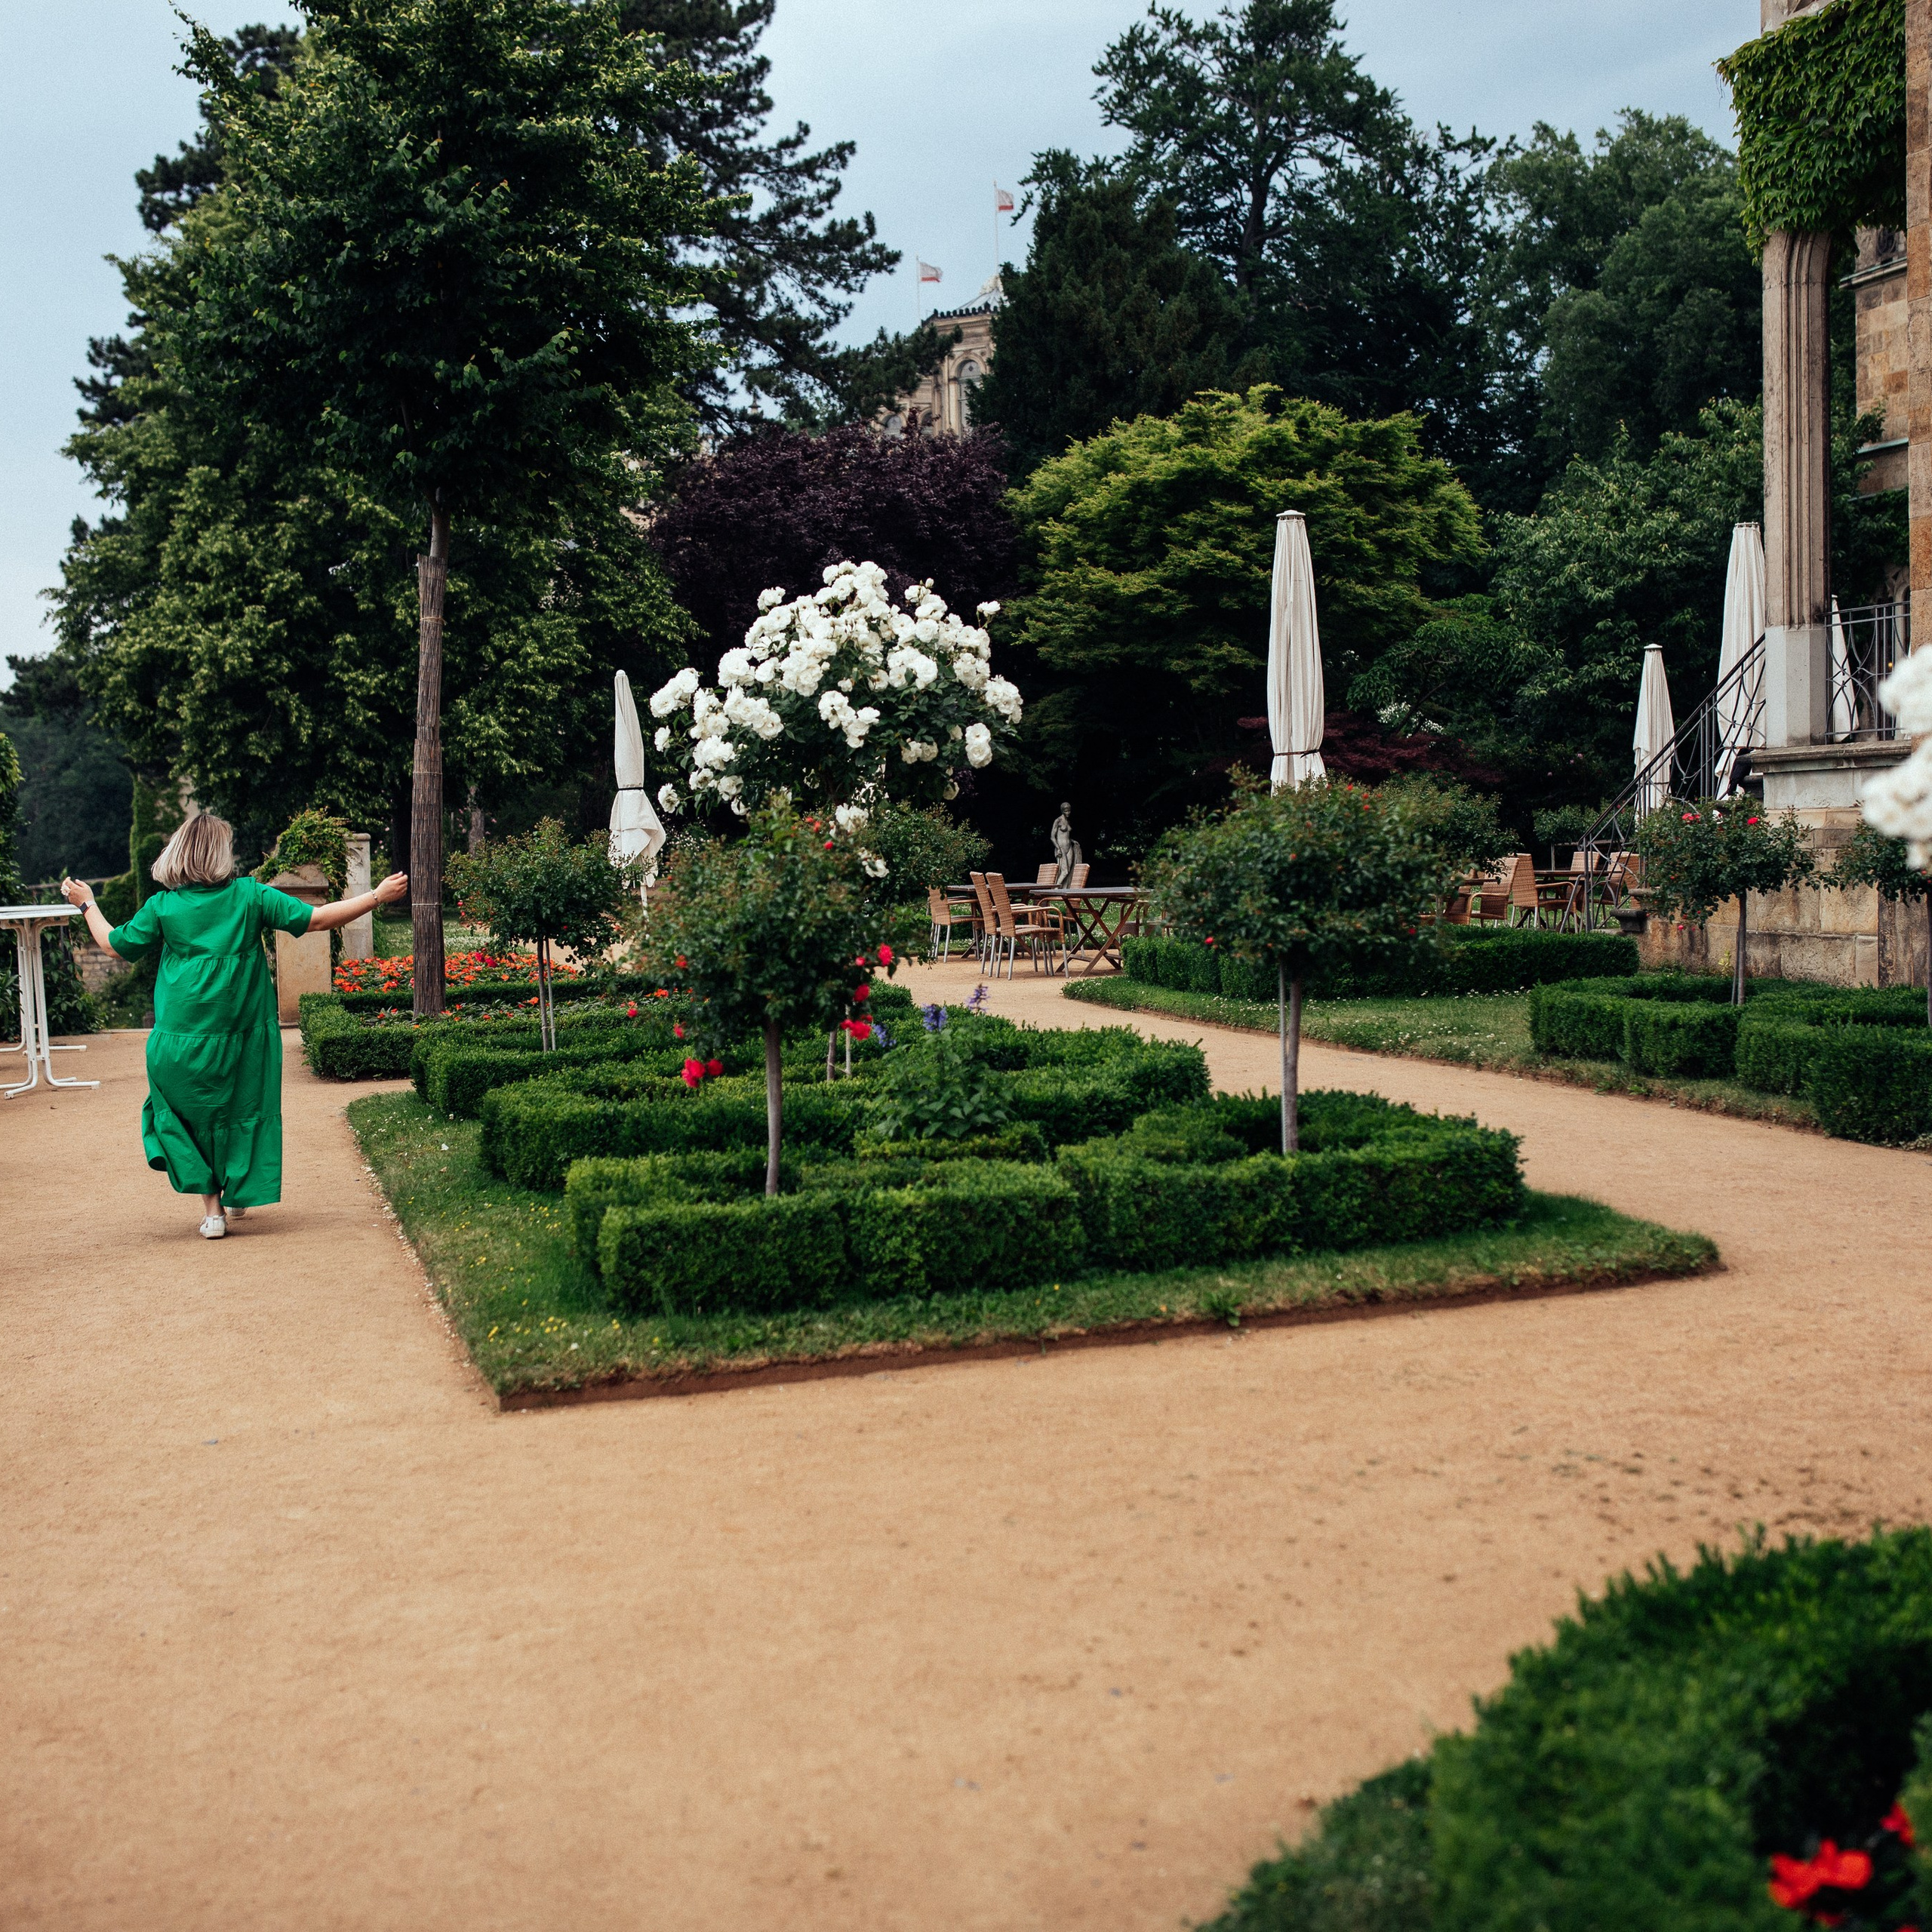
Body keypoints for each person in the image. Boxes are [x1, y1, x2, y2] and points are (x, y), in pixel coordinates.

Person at [63, 814, 408, 1239]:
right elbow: (318, 919)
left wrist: (87, 904)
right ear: (219, 855)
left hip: (181, 1036)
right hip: (244, 1030)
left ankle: (214, 1212)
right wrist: (376, 895)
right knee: (242, 1105)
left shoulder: (163, 907)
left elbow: (113, 945)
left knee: (188, 1112)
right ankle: (238, 1185)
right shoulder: (250, 896)